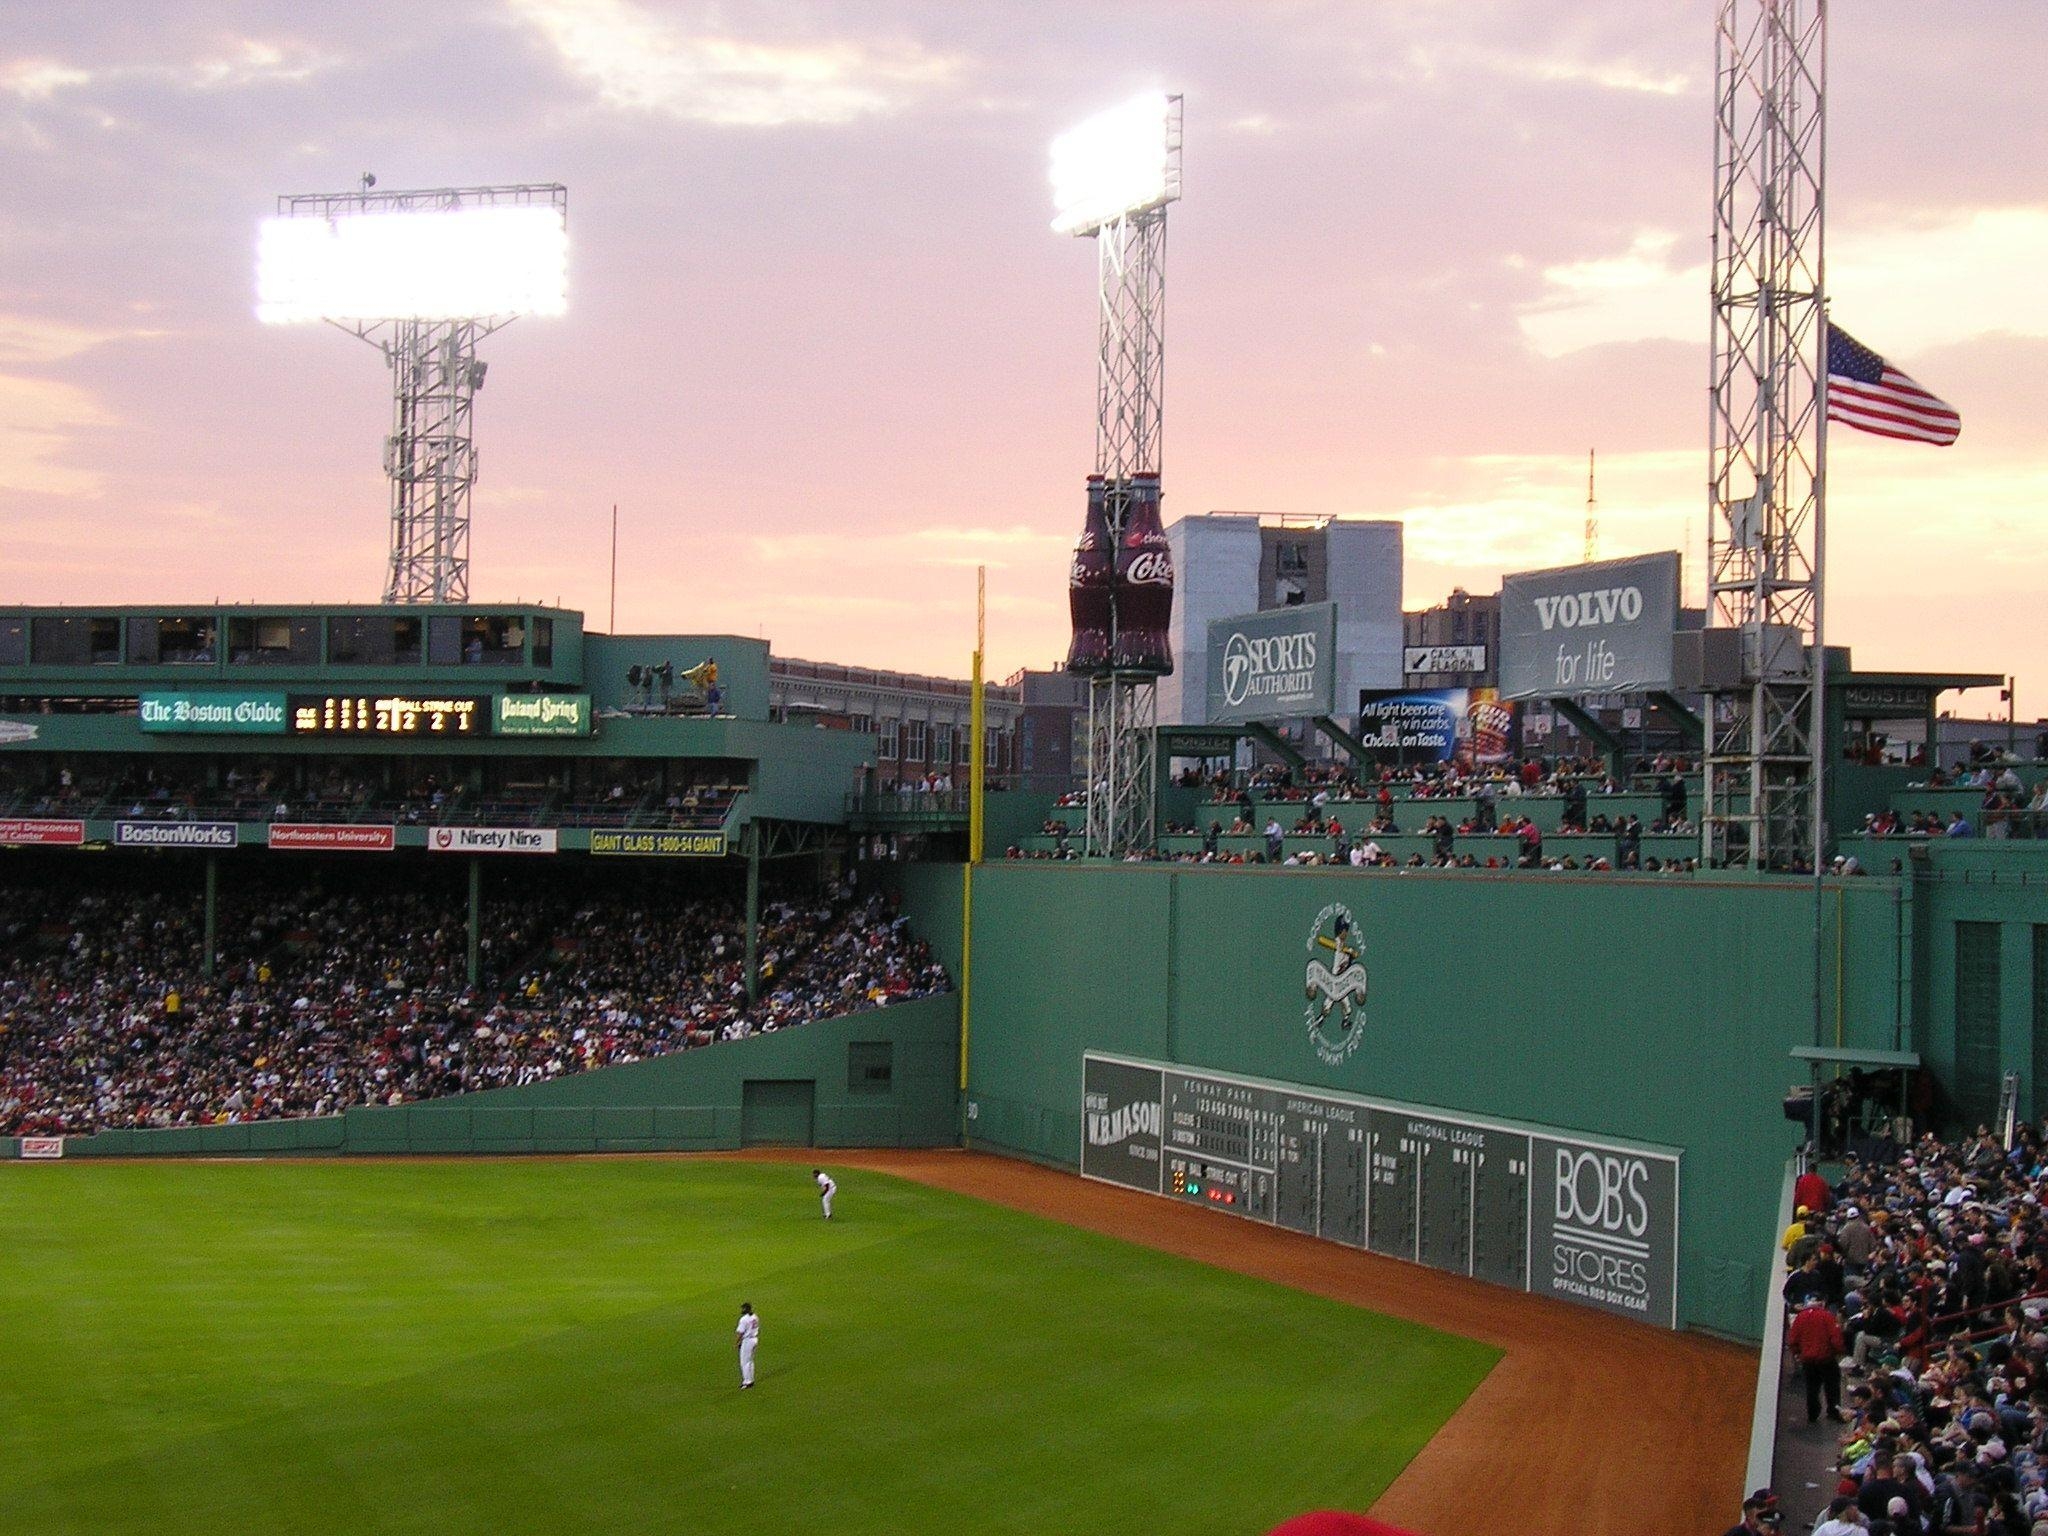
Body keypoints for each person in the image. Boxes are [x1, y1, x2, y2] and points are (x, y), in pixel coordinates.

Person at [1788, 1295, 1847, 1423]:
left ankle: (1812, 1414)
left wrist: (1798, 1353)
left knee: (1811, 1388)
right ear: (1822, 1303)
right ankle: (1833, 1411)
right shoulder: (1827, 1316)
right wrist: (1839, 1352)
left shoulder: (1800, 1317)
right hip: (1826, 1359)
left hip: (1808, 1360)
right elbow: (1835, 1339)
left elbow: (1793, 1339)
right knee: (1832, 1386)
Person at [735, 1302, 759, 1389]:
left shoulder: (744, 1319)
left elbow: (740, 1332)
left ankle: (747, 1382)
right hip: (755, 1339)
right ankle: (751, 1379)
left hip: (748, 1341)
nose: (742, 1310)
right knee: (750, 1361)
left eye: (743, 1308)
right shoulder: (755, 1316)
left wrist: (737, 1342)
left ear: (746, 1309)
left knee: (744, 1362)